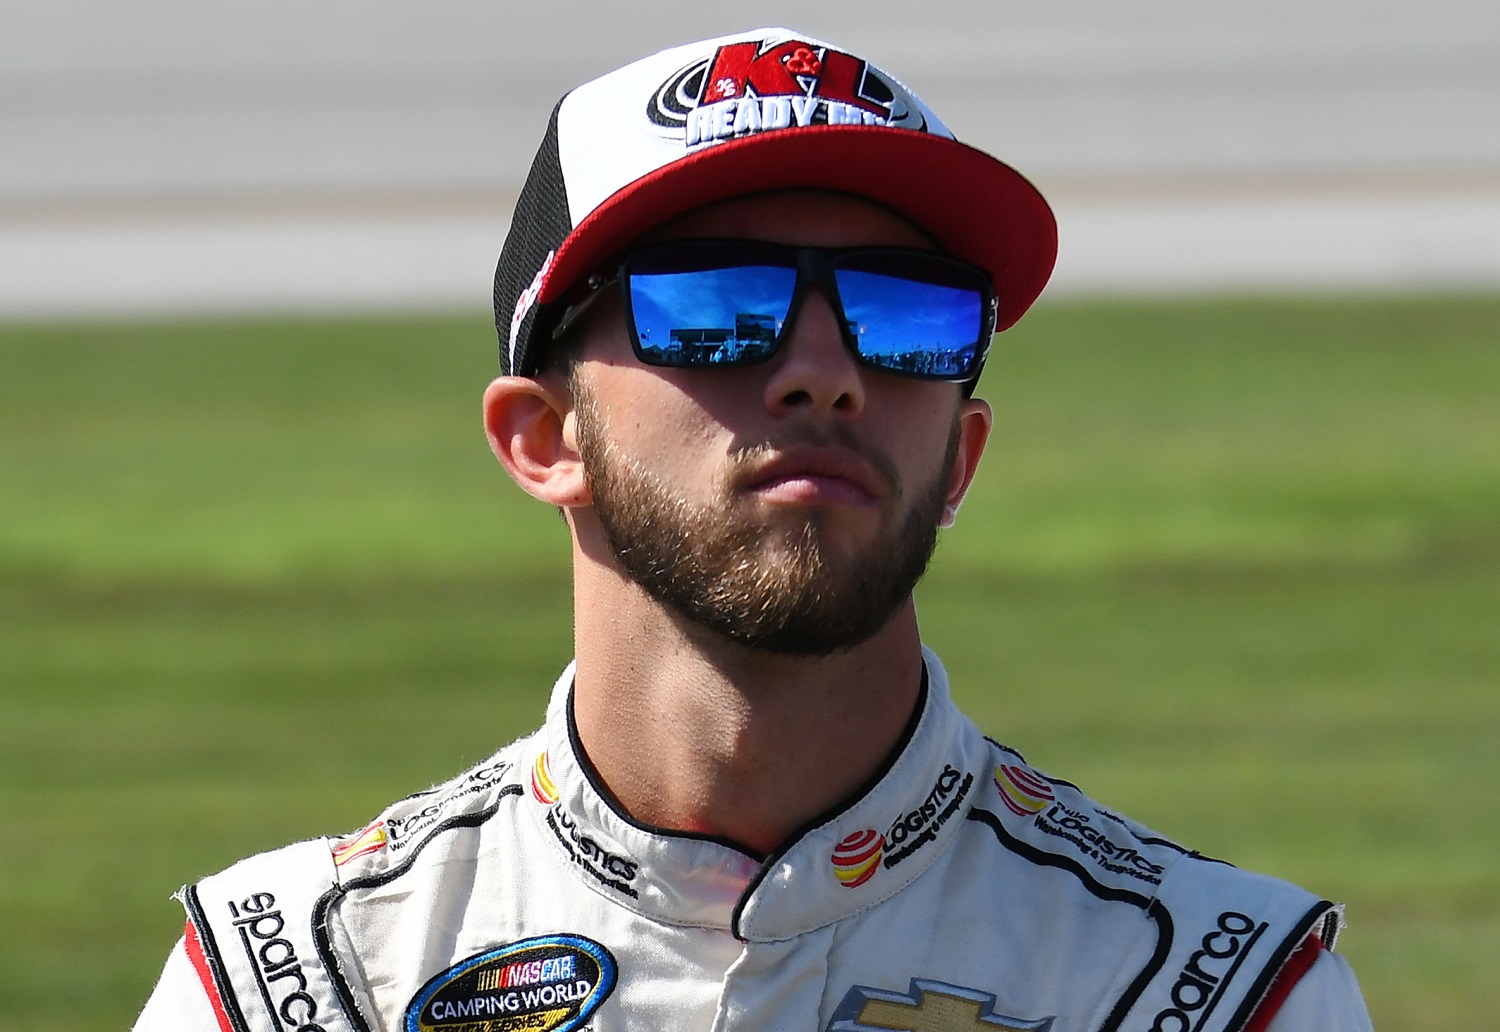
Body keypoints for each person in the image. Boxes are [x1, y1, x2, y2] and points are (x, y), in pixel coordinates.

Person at [134, 28, 1374, 1032]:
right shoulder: (298, 983)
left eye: (907, 314)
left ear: (961, 456)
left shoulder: (1214, 989)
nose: (825, 370)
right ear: (543, 437)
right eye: (718, 305)